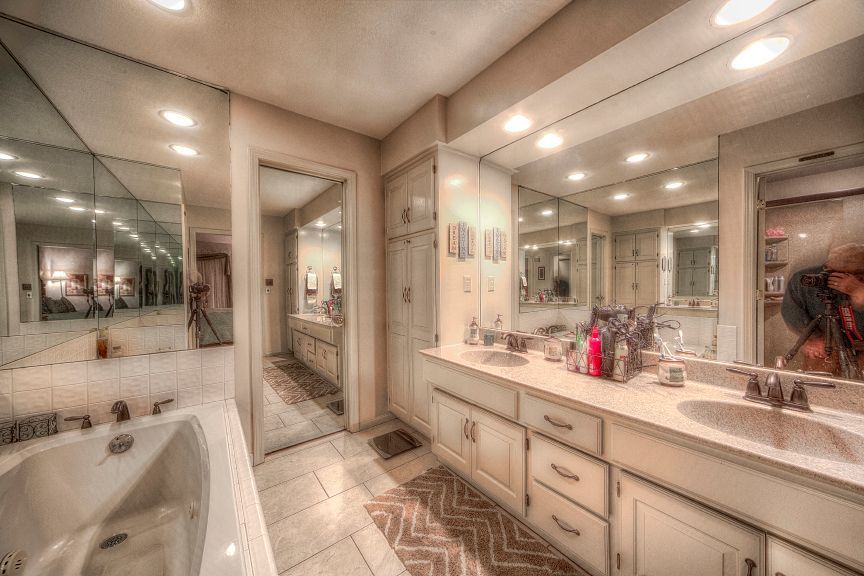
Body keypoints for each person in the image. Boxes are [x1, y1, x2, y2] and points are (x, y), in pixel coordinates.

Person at [782, 243, 864, 376]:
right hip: (825, 345)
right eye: (833, 272)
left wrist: (859, 292)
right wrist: (812, 338)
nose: (839, 278)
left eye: (853, 273)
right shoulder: (807, 279)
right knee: (818, 382)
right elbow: (791, 310)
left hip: (861, 345)